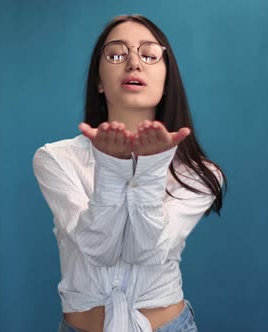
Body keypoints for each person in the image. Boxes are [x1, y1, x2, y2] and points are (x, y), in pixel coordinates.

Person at [33, 14, 226, 332]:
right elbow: (100, 250)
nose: (134, 63)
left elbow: (144, 251)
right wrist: (112, 167)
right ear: (98, 79)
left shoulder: (199, 173)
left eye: (149, 55)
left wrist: (149, 170)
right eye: (117, 54)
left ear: (167, 81)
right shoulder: (55, 158)